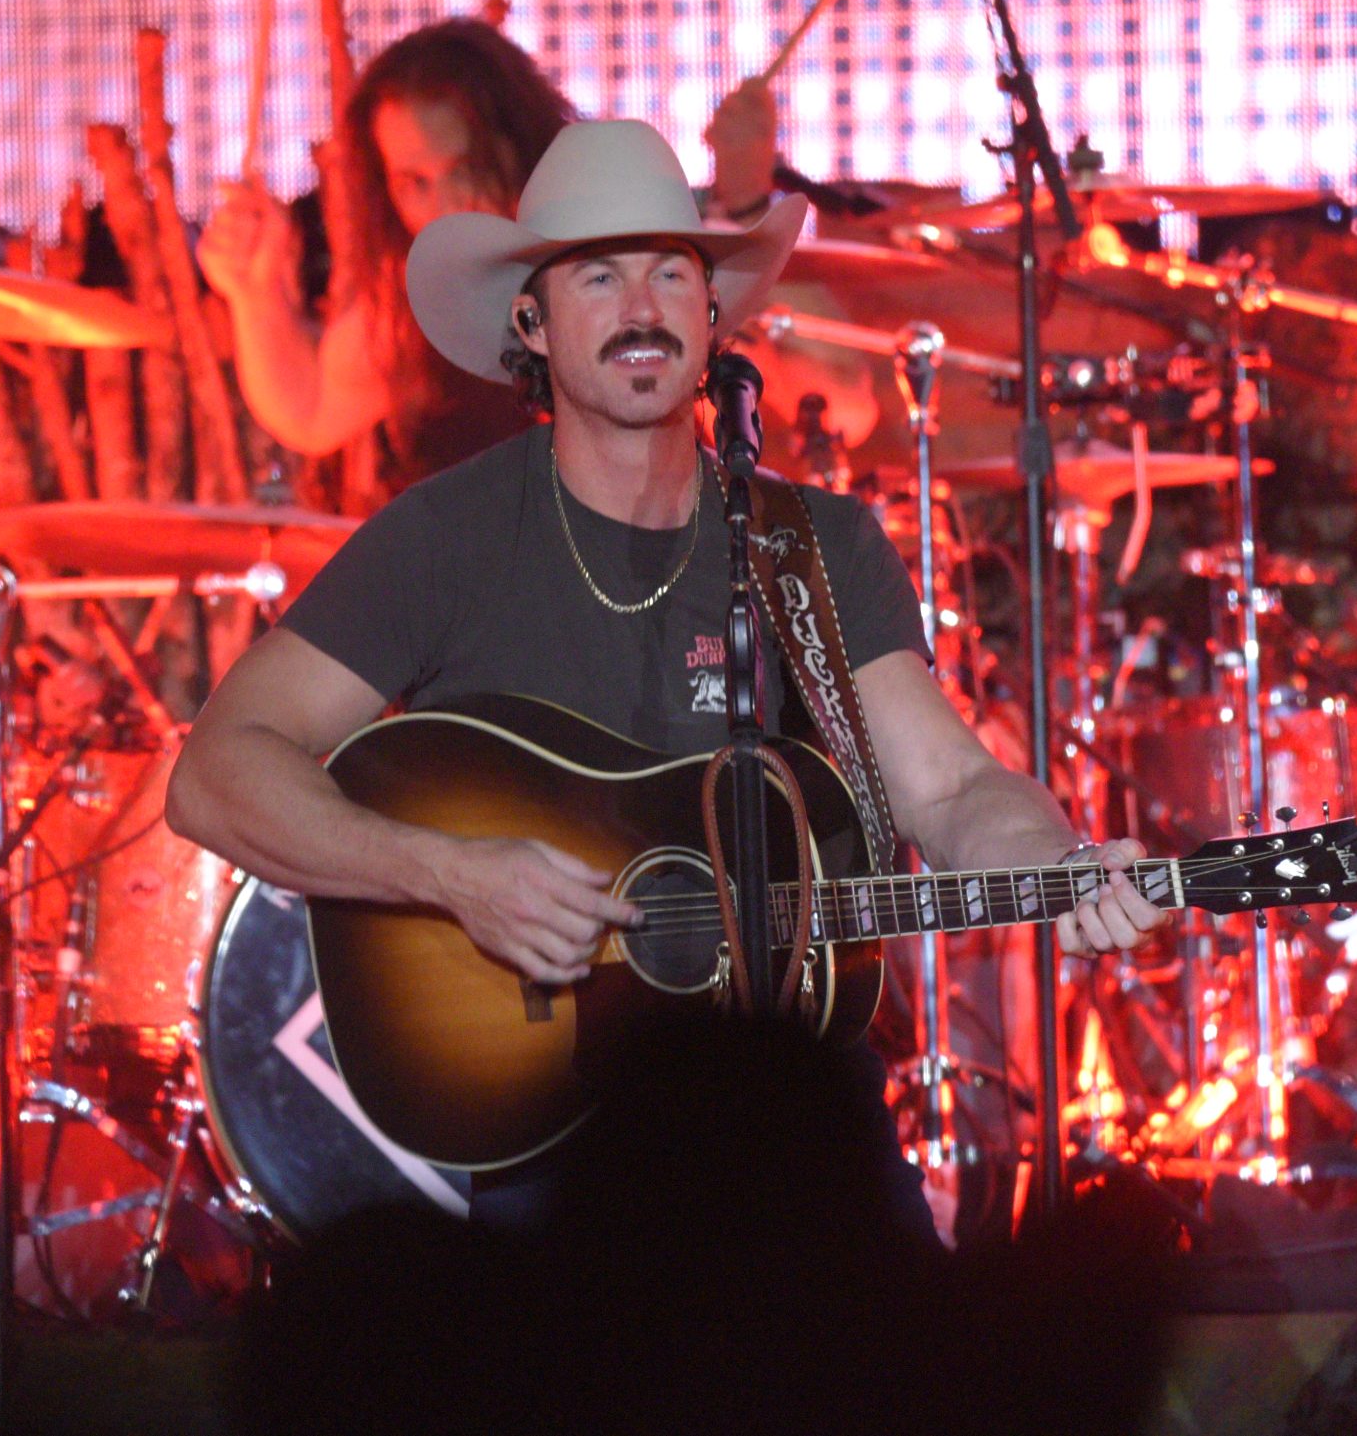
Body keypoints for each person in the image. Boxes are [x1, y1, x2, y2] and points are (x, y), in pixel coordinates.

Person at [165, 121, 1167, 1194]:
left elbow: (954, 786)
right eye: (598, 277)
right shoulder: (444, 537)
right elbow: (215, 774)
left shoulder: (812, 547)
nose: (641, 309)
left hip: (792, 1114)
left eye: (669, 276)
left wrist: (1056, 865)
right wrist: (451, 877)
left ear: (711, 318)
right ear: (532, 323)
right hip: (557, 1133)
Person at [199, 19, 794, 513]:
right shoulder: (415, 297)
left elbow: (834, 394)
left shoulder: (623, 259)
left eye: (464, 169)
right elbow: (314, 409)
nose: (444, 204)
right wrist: (254, 294)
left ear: (518, 144)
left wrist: (742, 202)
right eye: (414, 183)